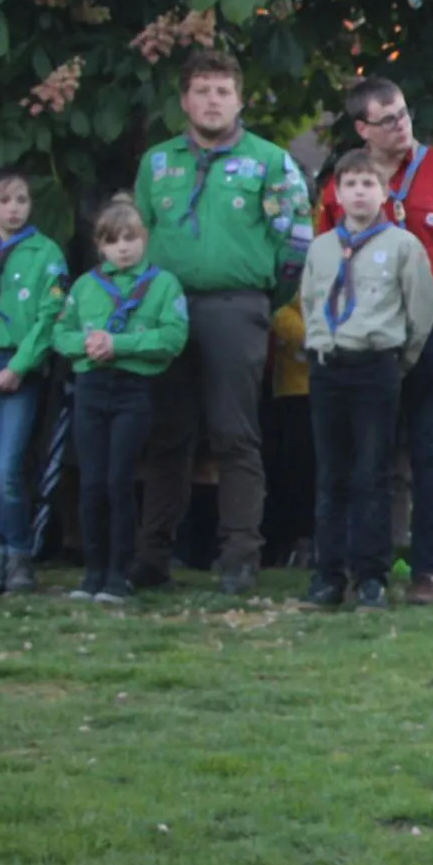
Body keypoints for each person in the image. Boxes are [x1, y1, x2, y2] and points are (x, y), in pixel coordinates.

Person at [132, 49, 310, 595]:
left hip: (237, 307)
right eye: (202, 90)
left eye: (223, 91)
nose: (213, 101)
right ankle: (152, 556)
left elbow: (296, 240)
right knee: (168, 436)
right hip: (166, 307)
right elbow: (137, 236)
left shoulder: (270, 161)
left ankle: (239, 558)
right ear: (184, 100)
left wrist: (261, 299)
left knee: (235, 434)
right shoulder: (157, 163)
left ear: (240, 99)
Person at [318, 77, 433, 607]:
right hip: (368, 331)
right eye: (387, 119)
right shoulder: (344, 182)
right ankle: (363, 564)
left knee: (431, 443)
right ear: (363, 128)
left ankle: (429, 568)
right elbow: (327, 247)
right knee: (369, 448)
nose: (402, 125)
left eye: (404, 113)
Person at [299, 151, 433, 612]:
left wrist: (399, 360)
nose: (360, 192)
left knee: (372, 473)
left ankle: (371, 574)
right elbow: (310, 301)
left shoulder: (402, 246)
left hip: (376, 365)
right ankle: (328, 573)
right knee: (330, 473)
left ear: (384, 193)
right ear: (336, 195)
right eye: (351, 185)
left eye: (368, 184)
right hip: (329, 365)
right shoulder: (321, 248)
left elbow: (420, 311)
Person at [58, 198, 189, 603]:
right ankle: (92, 571)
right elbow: (60, 335)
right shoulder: (85, 286)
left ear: (144, 240)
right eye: (114, 241)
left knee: (120, 480)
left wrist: (120, 344)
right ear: (100, 246)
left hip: (133, 390)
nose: (124, 248)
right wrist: (87, 343)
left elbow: (172, 337)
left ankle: (119, 572)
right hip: (92, 389)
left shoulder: (163, 285)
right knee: (92, 482)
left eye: (131, 239)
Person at [0, 170, 67, 594]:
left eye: (22, 200)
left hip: (18, 368)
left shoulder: (45, 253)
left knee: (5, 470)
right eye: (6, 200)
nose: (14, 209)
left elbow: (51, 316)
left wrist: (19, 366)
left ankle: (18, 553)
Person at [263, 292, 315, 568]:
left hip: (327, 390)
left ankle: (309, 541)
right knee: (293, 471)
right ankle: (292, 543)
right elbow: (283, 315)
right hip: (293, 394)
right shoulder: (291, 304)